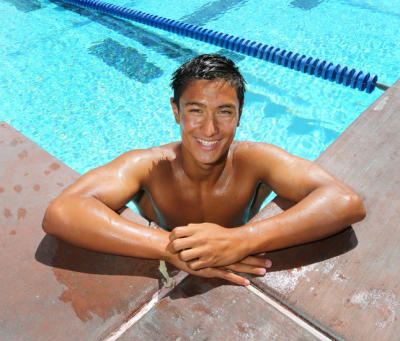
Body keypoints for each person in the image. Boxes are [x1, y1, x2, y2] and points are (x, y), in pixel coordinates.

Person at [42, 54, 366, 286]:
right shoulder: (150, 166)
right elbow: (61, 212)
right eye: (195, 111)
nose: (209, 129)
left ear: (240, 115)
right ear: (175, 111)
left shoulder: (255, 161)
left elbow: (345, 201)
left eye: (224, 111)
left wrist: (242, 240)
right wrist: (170, 249)